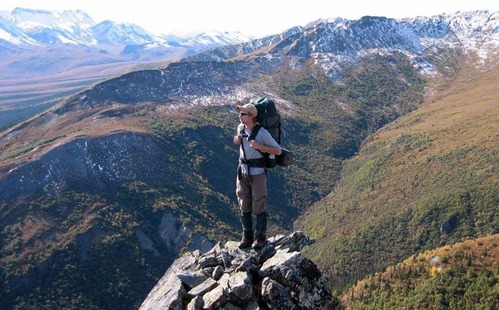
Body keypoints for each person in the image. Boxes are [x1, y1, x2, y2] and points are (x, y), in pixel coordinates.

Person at [232, 102, 282, 250]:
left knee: (259, 203)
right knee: (244, 203)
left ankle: (260, 238)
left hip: (258, 173)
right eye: (240, 113)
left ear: (252, 116)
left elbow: (278, 150)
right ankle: (247, 237)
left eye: (243, 114)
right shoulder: (240, 129)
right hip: (243, 172)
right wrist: (238, 141)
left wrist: (259, 146)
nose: (240, 116)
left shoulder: (262, 133)